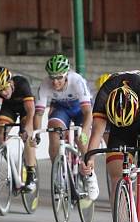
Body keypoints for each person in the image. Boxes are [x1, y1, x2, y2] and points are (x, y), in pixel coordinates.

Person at [83, 70, 140, 215]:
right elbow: (97, 132)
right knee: (116, 175)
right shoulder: (103, 95)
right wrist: (89, 160)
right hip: (119, 126)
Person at [33, 54, 99, 200]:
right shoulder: (44, 85)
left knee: (81, 140)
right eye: (52, 78)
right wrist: (36, 134)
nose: (55, 82)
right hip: (61, 109)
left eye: (59, 78)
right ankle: (59, 175)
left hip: (81, 109)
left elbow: (88, 113)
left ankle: (90, 175)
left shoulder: (77, 81)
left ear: (67, 74)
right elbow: (38, 114)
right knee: (53, 130)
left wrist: (84, 134)